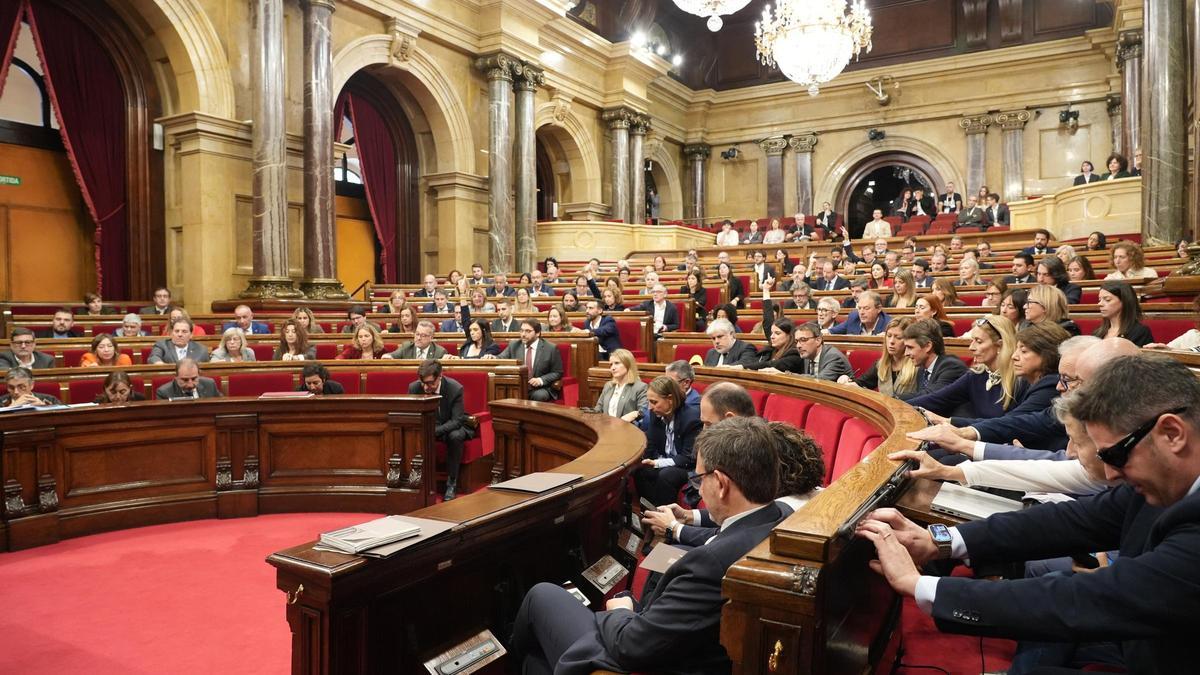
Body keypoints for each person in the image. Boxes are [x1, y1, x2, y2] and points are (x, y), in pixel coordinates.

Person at [857, 353, 1200, 675]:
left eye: (1114, 456)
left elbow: (1100, 598)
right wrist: (940, 541)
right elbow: (1075, 521)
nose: (1110, 475)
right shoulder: (1160, 477)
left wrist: (923, 586)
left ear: (1172, 434)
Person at [511, 416, 783, 674]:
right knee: (536, 664)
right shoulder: (781, 518)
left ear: (722, 483)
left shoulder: (710, 564)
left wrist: (621, 612)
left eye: (700, 479)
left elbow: (630, 646)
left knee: (540, 596)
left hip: (652, 658)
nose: (698, 490)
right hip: (685, 646)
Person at [646, 419, 825, 547]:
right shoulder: (813, 492)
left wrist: (674, 528)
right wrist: (689, 516)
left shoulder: (782, 510)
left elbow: (727, 538)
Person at [907, 315, 1019, 422]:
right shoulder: (975, 375)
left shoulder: (1021, 381)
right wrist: (895, 405)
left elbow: (1007, 425)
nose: (971, 347)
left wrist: (950, 422)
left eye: (979, 342)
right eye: (972, 340)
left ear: (999, 345)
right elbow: (937, 399)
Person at [406, 359, 472, 500]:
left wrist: (435, 431)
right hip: (427, 426)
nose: (426, 387)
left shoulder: (455, 388)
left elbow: (457, 420)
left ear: (440, 376)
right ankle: (416, 481)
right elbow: (412, 415)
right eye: (423, 382)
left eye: (430, 383)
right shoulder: (414, 388)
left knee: (455, 436)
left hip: (450, 426)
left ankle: (452, 483)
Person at [633, 375, 703, 506]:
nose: (649, 407)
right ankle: (649, 512)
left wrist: (657, 463)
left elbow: (688, 458)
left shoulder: (691, 419)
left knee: (667, 475)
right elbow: (651, 443)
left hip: (686, 466)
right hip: (665, 460)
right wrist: (643, 461)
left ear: (670, 399)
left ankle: (665, 519)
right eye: (649, 402)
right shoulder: (656, 413)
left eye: (654, 402)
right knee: (640, 470)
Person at [840, 317, 918, 398]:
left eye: (898, 337)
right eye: (889, 336)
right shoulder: (880, 365)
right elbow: (860, 383)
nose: (891, 341)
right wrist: (845, 379)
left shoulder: (917, 366)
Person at [490, 319, 563, 402]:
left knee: (540, 396)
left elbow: (557, 372)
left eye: (528, 331)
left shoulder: (550, 348)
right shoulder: (514, 345)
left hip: (540, 388)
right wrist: (493, 358)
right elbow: (501, 358)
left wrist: (541, 380)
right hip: (517, 387)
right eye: (521, 331)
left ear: (538, 333)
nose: (523, 334)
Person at [732, 300, 804, 374]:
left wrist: (744, 367)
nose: (772, 337)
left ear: (789, 335)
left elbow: (772, 364)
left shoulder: (794, 353)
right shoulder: (770, 350)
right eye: (772, 333)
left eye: (777, 333)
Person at [902, 319, 969, 399]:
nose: (906, 353)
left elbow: (931, 396)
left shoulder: (951, 366)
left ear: (928, 346)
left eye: (910, 347)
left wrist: (893, 399)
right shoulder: (922, 370)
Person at [588, 349, 647, 422]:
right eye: (611, 364)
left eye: (617, 363)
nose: (612, 368)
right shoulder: (608, 386)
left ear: (628, 364)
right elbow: (598, 409)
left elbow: (644, 414)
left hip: (626, 430)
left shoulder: (640, 387)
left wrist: (634, 414)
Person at [1093, 280, 1153, 346]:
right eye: (1099, 300)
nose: (1100, 304)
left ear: (1124, 301)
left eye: (1107, 300)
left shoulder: (1140, 332)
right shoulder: (1097, 333)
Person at [155, 358, 222, 400]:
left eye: (194, 379)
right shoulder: (164, 392)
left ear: (199, 375)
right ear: (176, 377)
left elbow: (221, 406)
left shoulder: (209, 384)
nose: (190, 385)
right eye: (185, 380)